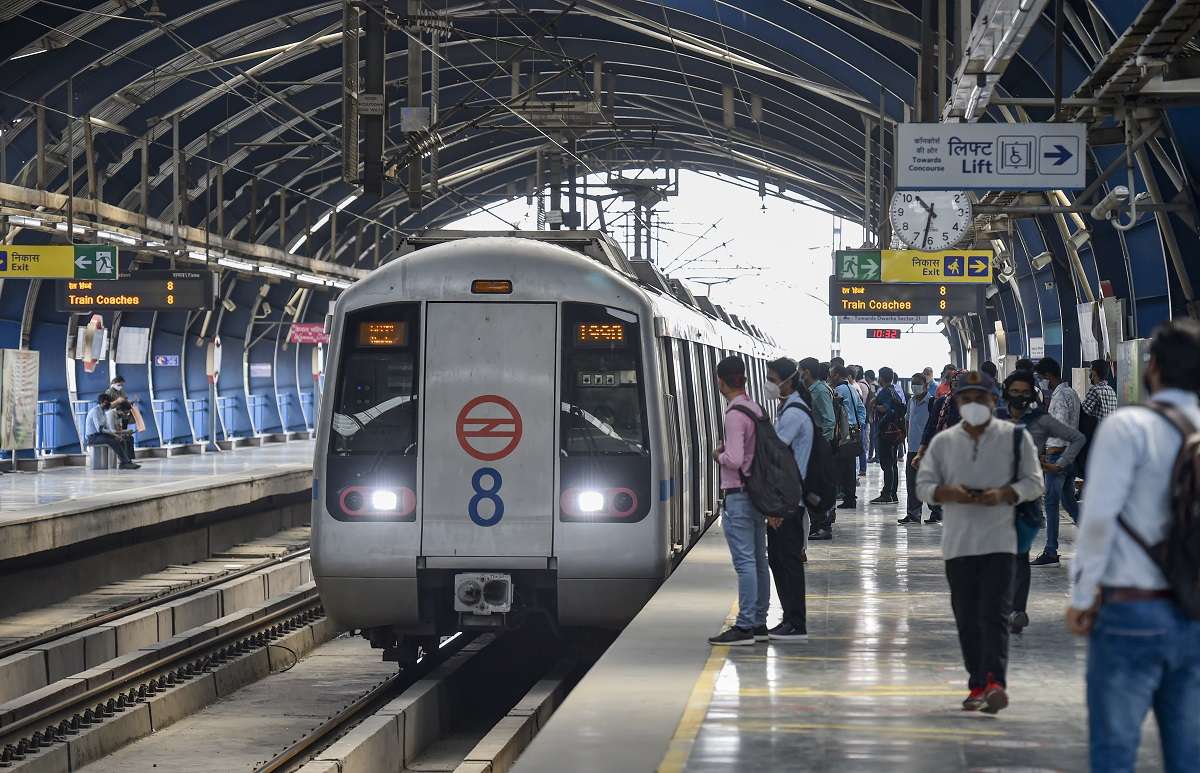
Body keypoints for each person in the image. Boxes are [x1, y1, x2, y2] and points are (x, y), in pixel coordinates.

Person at [1067, 319, 1200, 773]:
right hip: (1196, 611)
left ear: (1154, 368)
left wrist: (1083, 597)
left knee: (1115, 751)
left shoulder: (1130, 428)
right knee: (1189, 754)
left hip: (1133, 610)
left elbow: (1098, 518)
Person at [916, 371, 1044, 714]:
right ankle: (977, 682)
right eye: (966, 399)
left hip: (1001, 542)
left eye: (981, 398)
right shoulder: (944, 442)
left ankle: (995, 683)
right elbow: (923, 485)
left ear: (994, 400)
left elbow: (1035, 483)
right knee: (967, 616)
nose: (973, 405)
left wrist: (1006, 494)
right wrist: (946, 492)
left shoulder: (1015, 438)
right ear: (957, 402)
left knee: (994, 614)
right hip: (959, 545)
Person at [1002, 371, 1085, 634]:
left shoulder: (1041, 421)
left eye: (1024, 391)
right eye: (1014, 391)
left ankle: (1017, 610)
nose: (1019, 397)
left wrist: (1058, 465)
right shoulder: (995, 419)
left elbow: (1077, 438)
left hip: (1025, 498)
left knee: (1019, 555)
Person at [709, 356, 769, 646]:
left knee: (745, 562)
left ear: (721, 382)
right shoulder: (755, 407)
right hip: (756, 494)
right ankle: (758, 621)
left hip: (739, 495)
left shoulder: (734, 414)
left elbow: (733, 459)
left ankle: (744, 625)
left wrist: (717, 454)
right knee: (758, 560)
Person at [764, 357, 812, 641]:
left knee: (787, 562)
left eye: (772, 377)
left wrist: (778, 504)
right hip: (789, 497)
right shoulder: (791, 408)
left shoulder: (794, 413)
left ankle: (795, 622)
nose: (769, 383)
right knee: (780, 561)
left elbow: (779, 458)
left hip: (789, 499)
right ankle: (790, 619)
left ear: (787, 380)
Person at [1031, 357, 1082, 566]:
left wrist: (1048, 453)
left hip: (1058, 455)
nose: (1041, 381)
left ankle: (1051, 551)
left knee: (1050, 503)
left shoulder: (1060, 397)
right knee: (1069, 502)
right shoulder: (1072, 393)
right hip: (1070, 455)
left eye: (1041, 376)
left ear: (1049, 375)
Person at [800, 357, 835, 541]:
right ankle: (818, 524)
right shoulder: (812, 389)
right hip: (814, 444)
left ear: (807, 371)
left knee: (817, 486)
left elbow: (829, 420)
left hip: (819, 445)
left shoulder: (819, 390)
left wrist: (822, 444)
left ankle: (822, 526)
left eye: (800, 370)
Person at [899, 372, 933, 525]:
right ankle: (913, 514)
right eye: (913, 384)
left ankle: (937, 511)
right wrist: (906, 436)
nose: (915, 387)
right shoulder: (911, 401)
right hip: (913, 448)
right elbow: (907, 420)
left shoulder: (932, 402)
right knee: (911, 483)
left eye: (918, 384)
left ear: (925, 385)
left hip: (927, 449)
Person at [831, 365, 866, 510]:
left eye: (831, 374)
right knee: (850, 465)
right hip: (854, 430)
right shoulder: (852, 388)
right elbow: (861, 408)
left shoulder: (838, 390)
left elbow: (835, 412)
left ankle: (843, 495)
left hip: (843, 432)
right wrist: (859, 424)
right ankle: (850, 498)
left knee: (841, 464)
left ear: (837, 375)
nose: (830, 377)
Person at [871, 366, 905, 505]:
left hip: (886, 431)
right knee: (893, 464)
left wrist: (874, 406)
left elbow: (885, 408)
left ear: (882, 378)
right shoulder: (894, 390)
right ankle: (893, 493)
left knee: (886, 463)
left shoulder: (885, 391)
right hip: (895, 432)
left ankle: (886, 494)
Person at [85, 393, 140, 470]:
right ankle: (125, 462)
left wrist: (117, 435)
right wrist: (115, 435)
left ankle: (127, 461)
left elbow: (107, 428)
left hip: (100, 435)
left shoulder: (103, 412)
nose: (110, 404)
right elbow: (100, 429)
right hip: (93, 437)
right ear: (103, 402)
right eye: (108, 402)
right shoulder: (95, 411)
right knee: (113, 441)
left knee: (121, 439)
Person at [853, 366, 870, 477]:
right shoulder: (860, 385)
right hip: (861, 420)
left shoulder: (858, 386)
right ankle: (862, 468)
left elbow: (860, 405)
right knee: (861, 444)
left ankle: (862, 468)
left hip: (859, 421)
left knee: (860, 445)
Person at [864, 369, 879, 462]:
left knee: (873, 435)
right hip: (875, 415)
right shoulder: (877, 385)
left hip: (874, 415)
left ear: (868, 377)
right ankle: (874, 455)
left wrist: (870, 415)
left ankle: (873, 456)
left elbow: (872, 401)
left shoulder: (872, 386)